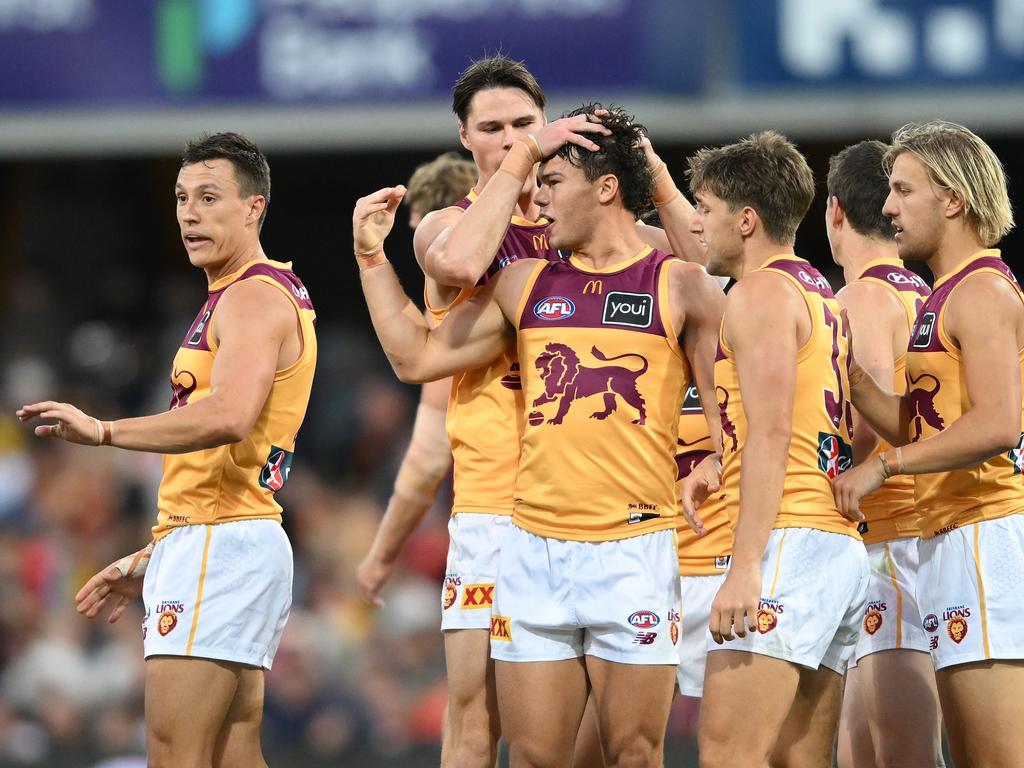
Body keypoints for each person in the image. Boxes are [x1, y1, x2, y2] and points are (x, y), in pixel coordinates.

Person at [353, 104, 724, 768]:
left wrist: (719, 461)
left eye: (553, 182)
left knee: (635, 754)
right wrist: (370, 259)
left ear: (605, 187)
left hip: (633, 550)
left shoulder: (681, 284)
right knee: (530, 757)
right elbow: (418, 359)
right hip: (533, 551)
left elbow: (737, 389)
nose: (539, 196)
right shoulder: (523, 284)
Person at [18, 132, 317, 768]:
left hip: (220, 542)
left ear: (253, 207)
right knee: (232, 752)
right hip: (228, 535)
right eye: (182, 198)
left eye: (210, 198)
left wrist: (103, 432)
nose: (190, 213)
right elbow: (229, 460)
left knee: (174, 755)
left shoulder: (251, 296)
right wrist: (158, 552)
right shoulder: (252, 293)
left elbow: (231, 417)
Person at [833, 120, 1023, 768]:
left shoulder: (984, 290)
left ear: (952, 199)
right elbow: (926, 424)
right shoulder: (942, 296)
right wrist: (854, 383)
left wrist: (885, 466)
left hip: (987, 534)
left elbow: (1000, 422)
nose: (887, 208)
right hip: (950, 534)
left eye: (902, 190)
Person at [682, 131, 870, 768]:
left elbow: (771, 432)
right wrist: (718, 459)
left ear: (745, 218)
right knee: (801, 760)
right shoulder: (818, 290)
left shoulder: (758, 294)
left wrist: (745, 565)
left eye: (703, 208)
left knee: (727, 753)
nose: (695, 224)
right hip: (835, 543)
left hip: (785, 541)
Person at [825, 140, 944, 768]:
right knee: (866, 748)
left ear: (834, 211)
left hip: (890, 539)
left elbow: (863, 419)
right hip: (914, 534)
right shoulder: (921, 294)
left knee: (894, 751)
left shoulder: (862, 299)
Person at [356, 151, 477, 611]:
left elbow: (428, 456)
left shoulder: (461, 310)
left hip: (501, 517)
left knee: (476, 687)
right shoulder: (541, 278)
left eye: (417, 226)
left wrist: (381, 556)